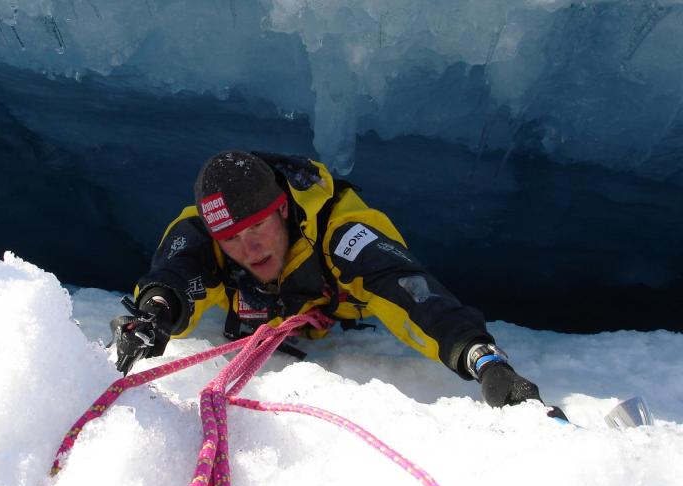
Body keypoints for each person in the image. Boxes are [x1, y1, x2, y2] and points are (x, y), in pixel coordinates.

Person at [110, 150, 565, 415]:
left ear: (282, 208)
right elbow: (175, 272)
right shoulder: (203, 233)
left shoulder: (341, 232)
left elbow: (406, 288)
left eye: (257, 227)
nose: (249, 249)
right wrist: (155, 314)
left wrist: (481, 358)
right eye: (231, 238)